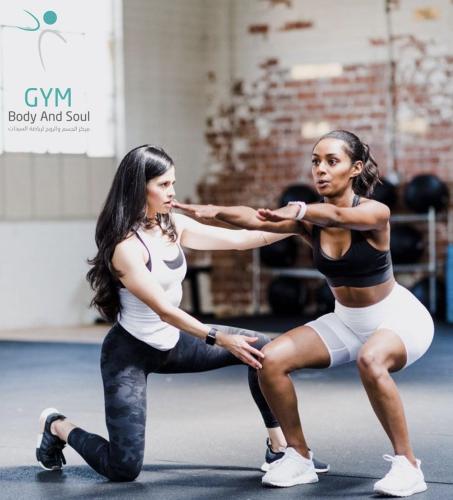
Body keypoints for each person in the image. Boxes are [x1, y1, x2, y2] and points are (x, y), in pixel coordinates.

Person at [35, 144, 329, 481]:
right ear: (138, 187)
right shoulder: (125, 247)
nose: (172, 192)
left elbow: (240, 240)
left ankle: (279, 447)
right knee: (123, 468)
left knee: (262, 349)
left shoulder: (172, 224)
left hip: (173, 343)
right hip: (129, 353)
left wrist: (298, 224)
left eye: (172, 183)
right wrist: (220, 338)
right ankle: (56, 426)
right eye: (163, 184)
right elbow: (164, 311)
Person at [174, 130, 434, 497]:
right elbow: (254, 219)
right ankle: (298, 456)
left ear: (355, 168)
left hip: (398, 319)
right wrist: (212, 210)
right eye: (315, 162)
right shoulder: (309, 222)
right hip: (346, 321)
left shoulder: (376, 212)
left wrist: (297, 209)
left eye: (332, 161)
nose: (320, 169)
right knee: (270, 360)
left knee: (371, 359)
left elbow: (338, 216)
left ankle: (408, 465)